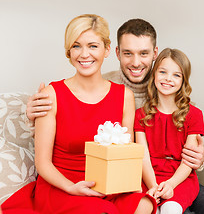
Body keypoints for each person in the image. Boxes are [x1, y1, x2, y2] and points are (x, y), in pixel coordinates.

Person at [25, 18, 204, 214]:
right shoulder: (102, 84)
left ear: (154, 53)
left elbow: (188, 135)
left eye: (143, 53)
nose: (135, 62)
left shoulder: (170, 86)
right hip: (140, 175)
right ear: (115, 52)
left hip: (172, 177)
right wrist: (31, 114)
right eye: (128, 53)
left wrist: (199, 158)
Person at [2, 14, 156, 214]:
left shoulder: (124, 96)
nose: (84, 54)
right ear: (69, 51)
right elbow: (43, 163)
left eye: (93, 46)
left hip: (108, 186)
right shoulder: (52, 94)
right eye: (76, 46)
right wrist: (70, 187)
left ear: (107, 49)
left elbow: (124, 155)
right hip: (62, 186)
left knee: (145, 205)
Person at [135, 48, 204, 214]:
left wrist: (171, 184)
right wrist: (153, 186)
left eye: (176, 75)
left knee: (169, 209)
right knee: (147, 207)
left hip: (180, 179)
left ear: (183, 81)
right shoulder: (141, 115)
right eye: (163, 72)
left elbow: (188, 160)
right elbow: (143, 157)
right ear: (154, 75)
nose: (168, 79)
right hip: (148, 176)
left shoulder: (194, 115)